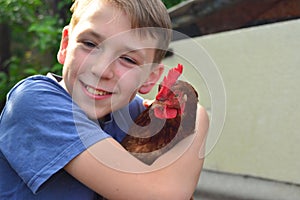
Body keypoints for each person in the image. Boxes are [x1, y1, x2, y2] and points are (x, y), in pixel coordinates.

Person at [0, 0, 209, 199]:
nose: (101, 70)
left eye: (128, 59)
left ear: (150, 78)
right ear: (65, 45)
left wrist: (186, 106)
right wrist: (196, 115)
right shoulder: (35, 103)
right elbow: (161, 193)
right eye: (89, 44)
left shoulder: (132, 113)